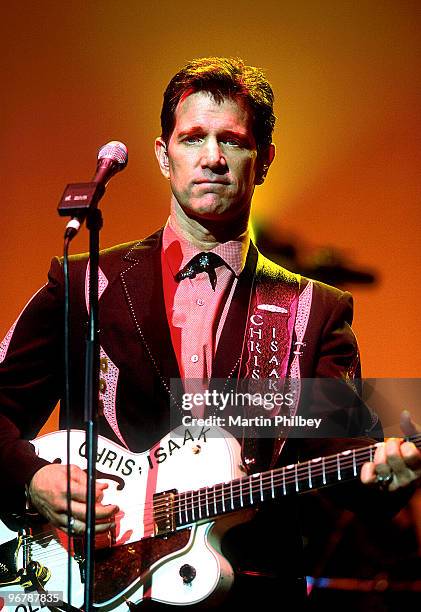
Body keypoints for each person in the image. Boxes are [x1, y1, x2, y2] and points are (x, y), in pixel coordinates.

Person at [0, 57, 420, 610]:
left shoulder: (313, 311)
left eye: (234, 141)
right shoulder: (87, 280)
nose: (213, 159)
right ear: (162, 155)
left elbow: (345, 461)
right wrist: (33, 477)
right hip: (87, 585)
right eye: (193, 138)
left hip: (247, 592)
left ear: (264, 160)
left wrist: (388, 474)